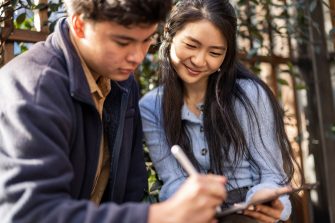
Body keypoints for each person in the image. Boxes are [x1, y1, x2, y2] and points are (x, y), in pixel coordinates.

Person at [0, 1, 227, 222]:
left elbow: (132, 186)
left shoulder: (123, 83)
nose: (137, 56)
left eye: (147, 39)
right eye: (122, 42)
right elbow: (29, 213)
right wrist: (160, 216)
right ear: (79, 25)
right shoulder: (34, 90)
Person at [139, 0, 297, 222]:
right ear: (169, 33)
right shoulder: (151, 107)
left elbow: (272, 174)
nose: (199, 60)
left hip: (248, 212)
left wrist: (266, 197)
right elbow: (173, 179)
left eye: (214, 52)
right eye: (192, 45)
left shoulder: (248, 94)